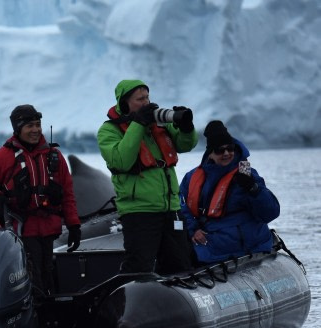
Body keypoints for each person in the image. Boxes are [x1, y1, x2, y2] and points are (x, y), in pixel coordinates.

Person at [97, 79, 198, 274]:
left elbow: (186, 145)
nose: (146, 102)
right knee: (139, 266)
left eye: (147, 97)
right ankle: (127, 301)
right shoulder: (108, 130)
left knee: (179, 265)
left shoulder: (158, 124)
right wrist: (138, 124)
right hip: (139, 210)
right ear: (124, 103)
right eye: (139, 99)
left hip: (171, 207)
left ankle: (173, 302)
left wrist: (186, 127)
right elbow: (121, 160)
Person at [0, 104, 81, 295]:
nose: (35, 130)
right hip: (21, 230)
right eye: (29, 126)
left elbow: (67, 193)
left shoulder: (54, 156)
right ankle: (35, 317)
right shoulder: (1, 157)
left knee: (48, 274)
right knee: (32, 280)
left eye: (37, 124)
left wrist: (74, 225)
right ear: (18, 129)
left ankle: (48, 315)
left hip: (50, 229)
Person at [179, 120, 280, 264]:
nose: (226, 153)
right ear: (210, 153)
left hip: (243, 240)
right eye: (220, 150)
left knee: (184, 256)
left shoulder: (246, 173)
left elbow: (271, 212)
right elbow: (181, 207)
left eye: (230, 148)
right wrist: (193, 230)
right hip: (211, 238)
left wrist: (253, 189)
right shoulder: (192, 177)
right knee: (173, 251)